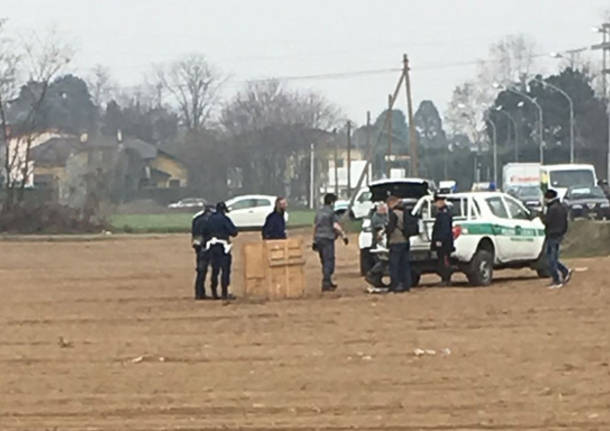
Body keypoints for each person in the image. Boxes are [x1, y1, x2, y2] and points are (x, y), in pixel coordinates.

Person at [313, 193, 348, 292]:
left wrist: (314, 240)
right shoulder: (331, 213)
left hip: (319, 238)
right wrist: (343, 236)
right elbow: (335, 226)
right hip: (328, 238)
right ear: (332, 202)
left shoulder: (319, 212)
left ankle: (328, 281)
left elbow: (315, 226)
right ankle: (326, 282)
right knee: (329, 261)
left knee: (324, 260)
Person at [206, 201, 239, 299]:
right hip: (223, 247)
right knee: (225, 270)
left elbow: (205, 231)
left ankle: (214, 292)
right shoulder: (225, 219)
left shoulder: (210, 219)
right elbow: (234, 232)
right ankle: (224, 293)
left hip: (212, 246)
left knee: (215, 270)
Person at [543, 189, 573, 289]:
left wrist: (541, 215)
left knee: (551, 259)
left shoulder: (552, 209)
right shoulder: (561, 207)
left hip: (552, 235)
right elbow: (565, 223)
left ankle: (557, 280)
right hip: (558, 235)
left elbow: (546, 221)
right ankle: (564, 271)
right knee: (551, 257)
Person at [385, 195, 412, 293]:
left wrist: (385, 231)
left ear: (391, 203)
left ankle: (395, 285)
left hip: (395, 241)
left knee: (394, 265)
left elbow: (390, 228)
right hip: (405, 241)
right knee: (405, 264)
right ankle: (406, 285)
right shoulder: (405, 212)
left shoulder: (394, 214)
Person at [431, 194, 454, 286]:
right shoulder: (443, 212)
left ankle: (446, 279)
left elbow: (444, 229)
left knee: (444, 260)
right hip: (445, 241)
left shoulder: (443, 213)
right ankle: (445, 278)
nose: (435, 204)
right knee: (443, 260)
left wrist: (440, 240)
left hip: (444, 243)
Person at [191, 206, 213, 300]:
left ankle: (199, 292)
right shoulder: (208, 220)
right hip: (206, 246)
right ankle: (201, 293)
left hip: (198, 245)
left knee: (200, 271)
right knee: (204, 270)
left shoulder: (196, 219)